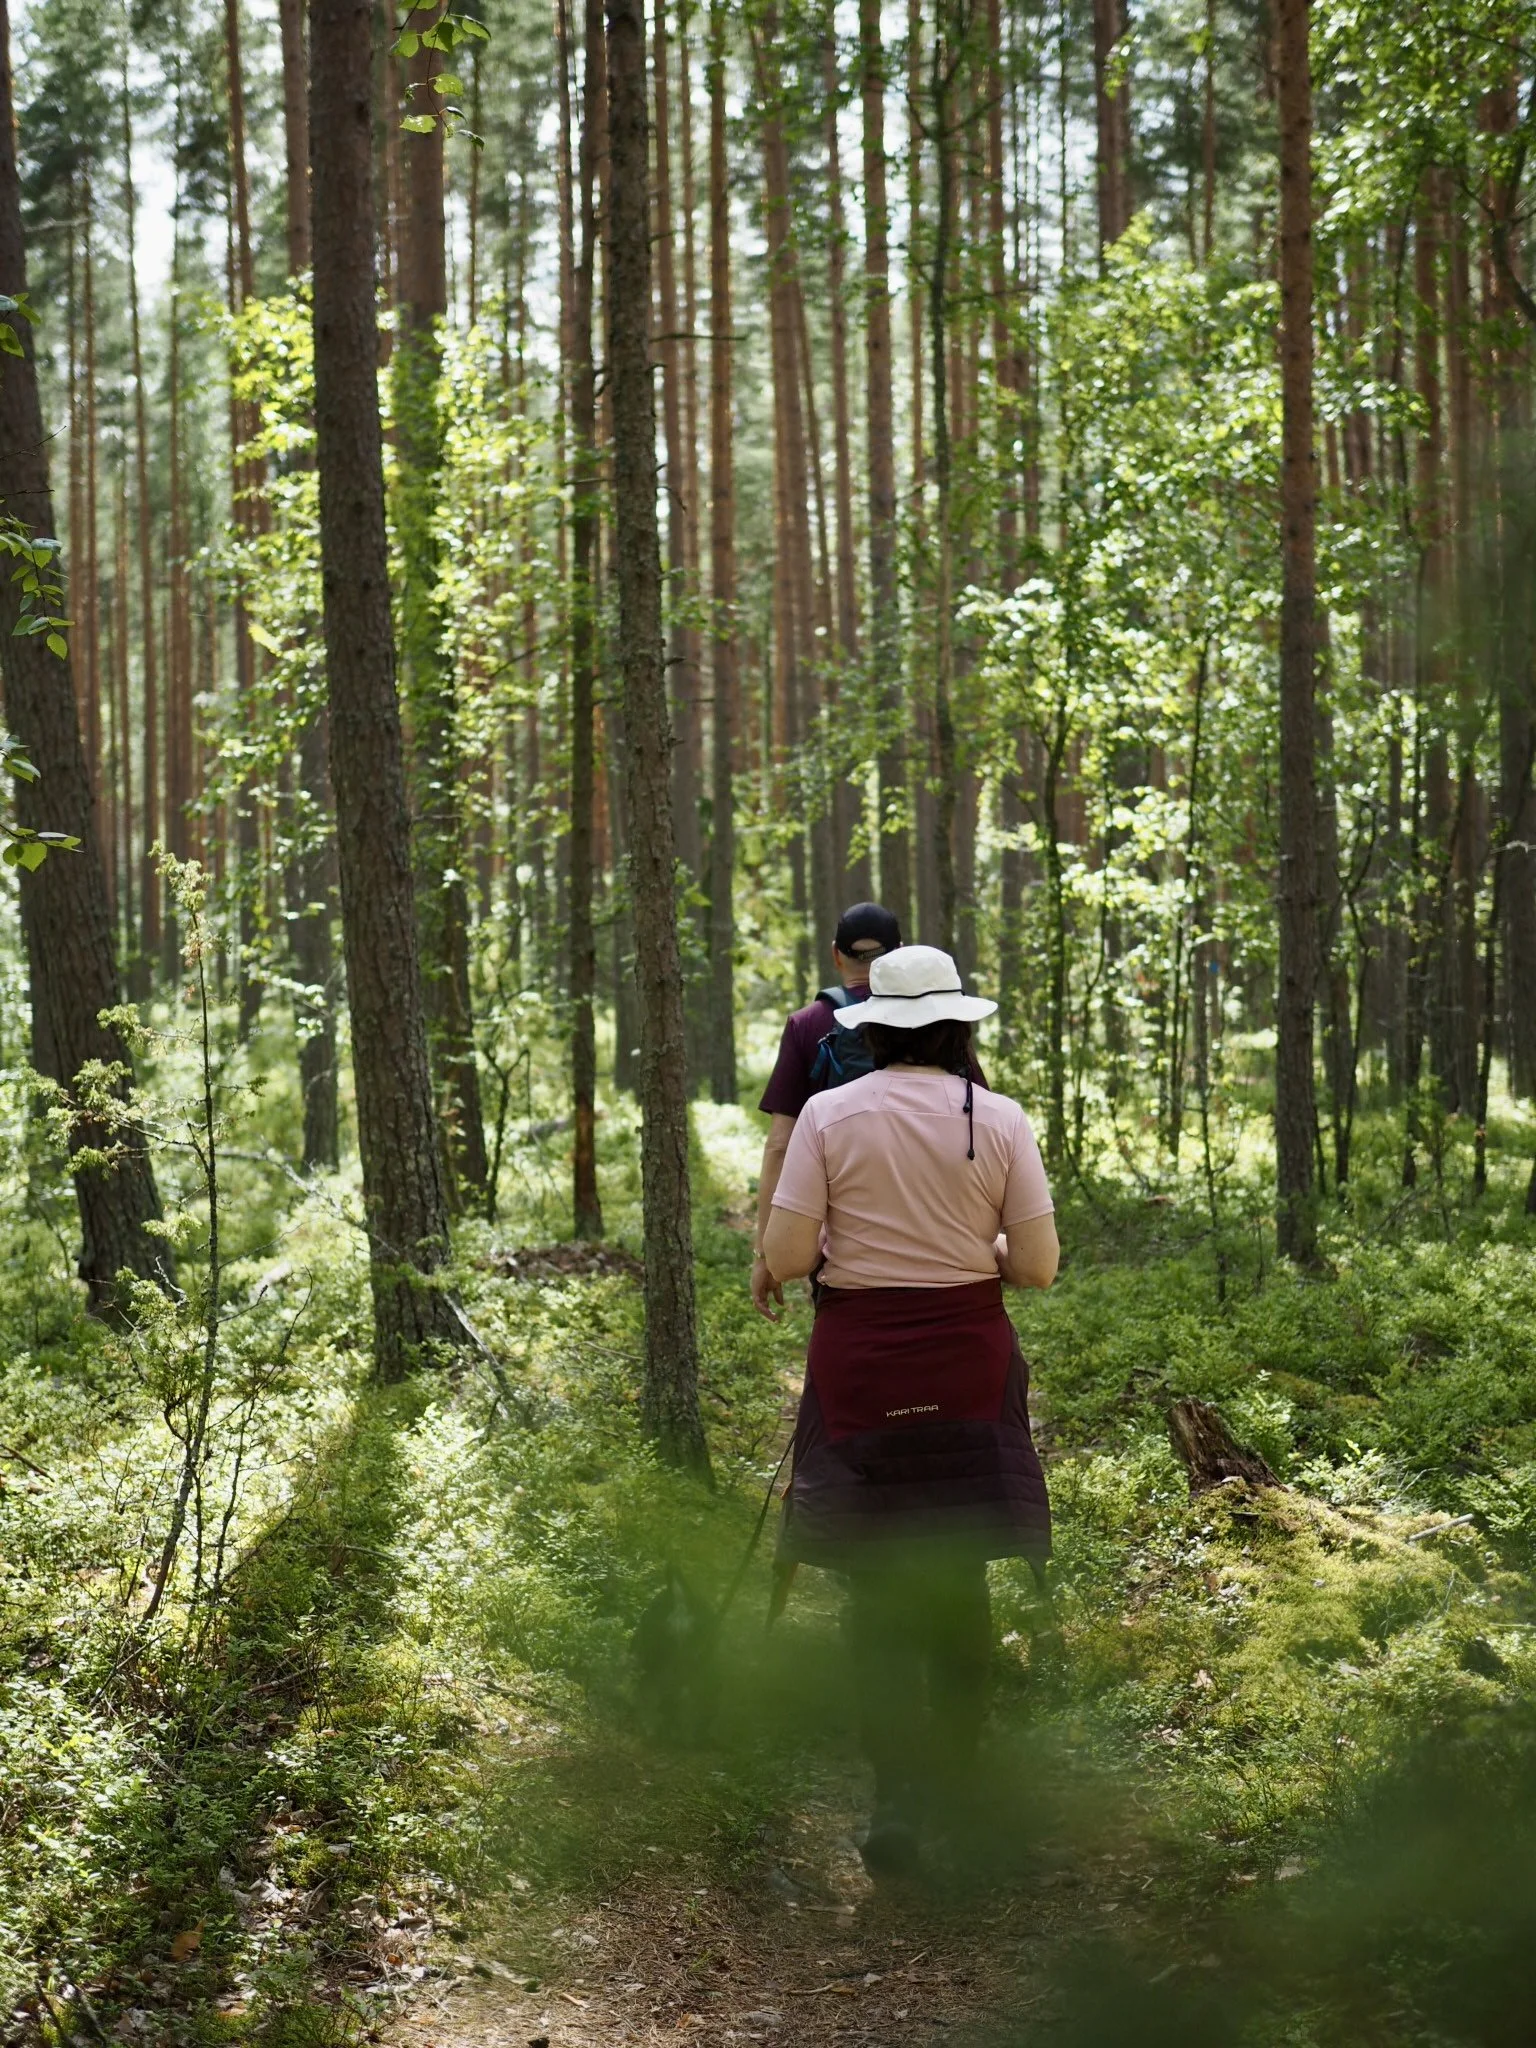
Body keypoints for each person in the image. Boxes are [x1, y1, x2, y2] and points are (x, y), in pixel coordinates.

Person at [761, 944, 1058, 1879]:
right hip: (967, 1362)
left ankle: (896, 1799)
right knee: (960, 1579)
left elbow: (793, 1255)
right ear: (960, 1025)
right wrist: (984, 1244)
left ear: (875, 1027)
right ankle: (962, 1795)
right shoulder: (1000, 1118)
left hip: (862, 1371)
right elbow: (1040, 1268)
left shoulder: (827, 1115)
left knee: (877, 1592)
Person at [750, 901, 903, 1321]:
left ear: (836, 953)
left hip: (837, 1236)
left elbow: (779, 1146)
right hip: (935, 1228)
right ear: (900, 951)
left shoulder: (808, 1025)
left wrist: (766, 1251)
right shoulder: (934, 1022)